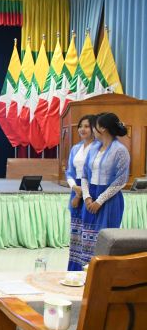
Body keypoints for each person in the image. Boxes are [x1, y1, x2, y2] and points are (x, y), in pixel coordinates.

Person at [76, 112, 130, 270]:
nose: (93, 129)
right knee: (87, 241)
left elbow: (120, 181)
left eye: (95, 126)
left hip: (109, 200)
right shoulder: (93, 148)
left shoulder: (120, 150)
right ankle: (86, 275)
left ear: (103, 129)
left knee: (105, 241)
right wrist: (87, 197)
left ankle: (104, 276)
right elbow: (84, 175)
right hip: (90, 198)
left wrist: (99, 201)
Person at [66, 115, 96, 270]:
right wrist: (74, 188)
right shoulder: (75, 148)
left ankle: (88, 272)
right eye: (80, 126)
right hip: (76, 190)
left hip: (90, 192)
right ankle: (74, 271)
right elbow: (69, 172)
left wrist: (81, 194)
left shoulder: (99, 148)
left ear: (94, 128)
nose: (82, 129)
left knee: (88, 233)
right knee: (76, 235)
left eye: (86, 126)